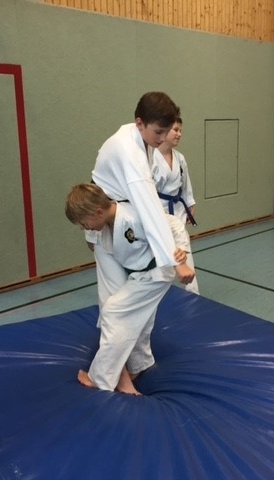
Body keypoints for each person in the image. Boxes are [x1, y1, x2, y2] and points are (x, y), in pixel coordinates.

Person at [66, 183, 195, 395]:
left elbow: (174, 225)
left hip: (155, 275)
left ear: (97, 212)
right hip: (140, 275)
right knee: (135, 317)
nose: (83, 228)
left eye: (83, 223)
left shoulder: (134, 216)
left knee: (113, 312)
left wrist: (181, 253)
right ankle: (139, 363)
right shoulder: (109, 223)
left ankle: (100, 377)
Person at [88, 92, 187, 309]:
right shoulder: (129, 151)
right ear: (140, 123)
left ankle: (134, 333)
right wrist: (175, 261)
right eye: (158, 132)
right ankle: (111, 331)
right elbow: (149, 207)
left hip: (122, 217)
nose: (163, 138)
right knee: (115, 296)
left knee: (132, 291)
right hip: (102, 220)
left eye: (166, 131)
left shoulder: (138, 137)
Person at [152, 116, 199, 294]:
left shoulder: (180, 158)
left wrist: (190, 204)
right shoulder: (151, 158)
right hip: (158, 211)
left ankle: (193, 293)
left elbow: (185, 185)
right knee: (161, 256)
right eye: (175, 130)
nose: (179, 134)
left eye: (180, 131)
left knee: (184, 250)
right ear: (164, 131)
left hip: (177, 210)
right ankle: (160, 293)